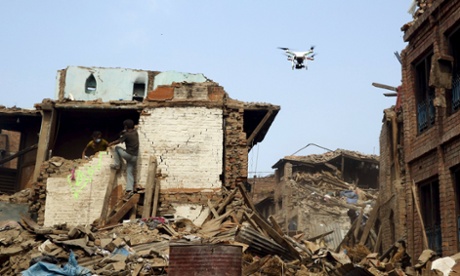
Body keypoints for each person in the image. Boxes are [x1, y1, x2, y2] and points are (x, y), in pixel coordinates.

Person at [108, 119, 139, 200]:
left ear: (126, 126)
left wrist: (110, 144)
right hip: (135, 157)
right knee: (129, 172)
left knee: (117, 148)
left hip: (129, 155)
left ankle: (117, 164)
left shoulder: (126, 134)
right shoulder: (135, 132)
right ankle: (130, 190)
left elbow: (118, 141)